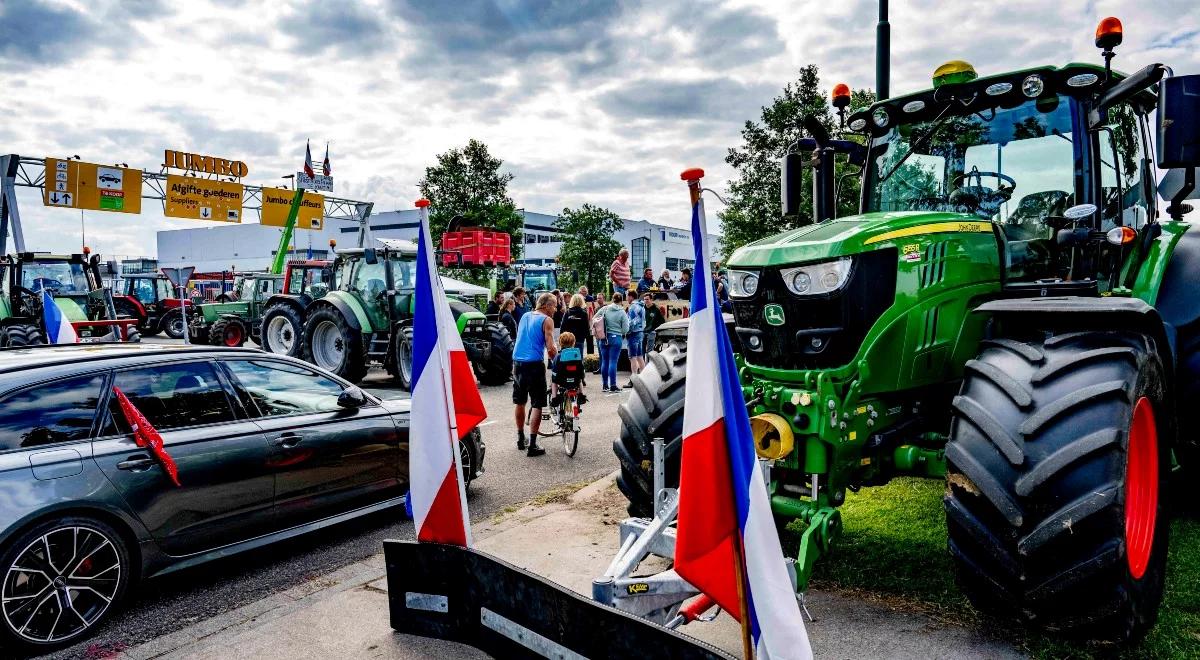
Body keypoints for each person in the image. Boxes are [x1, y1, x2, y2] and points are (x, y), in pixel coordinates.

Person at [512, 292, 558, 457]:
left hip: (517, 363)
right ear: (546, 305)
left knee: (520, 401)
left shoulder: (525, 315)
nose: (556, 308)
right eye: (554, 305)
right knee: (538, 404)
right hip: (533, 364)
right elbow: (551, 348)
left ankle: (520, 438)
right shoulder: (547, 320)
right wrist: (558, 361)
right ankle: (532, 445)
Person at [597, 291, 629, 392]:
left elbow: (595, 319)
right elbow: (625, 330)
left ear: (612, 299)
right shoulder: (622, 312)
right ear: (621, 300)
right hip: (616, 338)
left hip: (604, 337)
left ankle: (605, 385)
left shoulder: (605, 309)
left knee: (604, 361)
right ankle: (613, 385)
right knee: (613, 361)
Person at [550, 331, 587, 405]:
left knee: (553, 382)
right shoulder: (577, 355)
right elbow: (581, 368)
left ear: (560, 343)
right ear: (573, 343)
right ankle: (581, 395)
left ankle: (554, 399)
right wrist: (582, 377)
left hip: (562, 380)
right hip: (575, 380)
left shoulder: (558, 356)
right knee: (579, 380)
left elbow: (555, 370)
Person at [624, 289, 646, 387]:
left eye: (627, 296)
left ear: (631, 296)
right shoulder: (642, 306)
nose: (626, 298)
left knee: (632, 357)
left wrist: (626, 331)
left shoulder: (632, 307)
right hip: (640, 332)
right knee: (640, 357)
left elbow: (632, 322)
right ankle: (645, 379)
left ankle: (633, 380)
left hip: (633, 333)